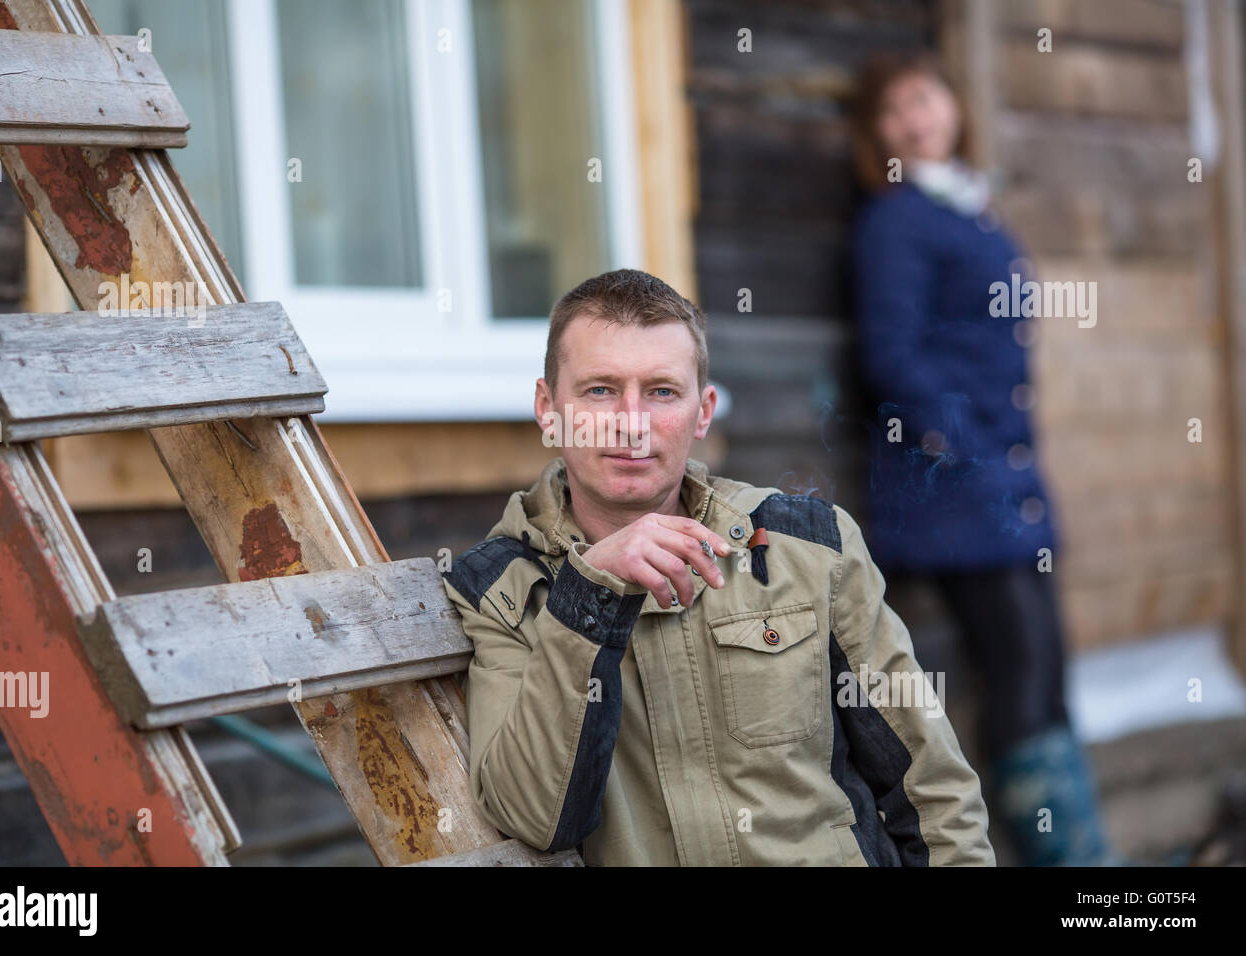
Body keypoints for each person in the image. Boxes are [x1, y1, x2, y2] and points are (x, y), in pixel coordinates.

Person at [441, 268, 994, 865]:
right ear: (549, 410)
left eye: (662, 392)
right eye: (600, 390)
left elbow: (933, 787)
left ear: (703, 412)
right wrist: (588, 595)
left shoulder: (808, 548)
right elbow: (534, 817)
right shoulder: (498, 590)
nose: (632, 422)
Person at [848, 52, 1116, 865]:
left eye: (925, 98)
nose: (915, 119)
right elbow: (891, 355)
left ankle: (1090, 860)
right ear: (877, 135)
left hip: (1011, 479)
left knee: (1049, 666)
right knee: (1022, 671)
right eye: (893, 111)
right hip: (959, 487)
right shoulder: (896, 220)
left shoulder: (972, 212)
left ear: (954, 105)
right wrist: (959, 444)